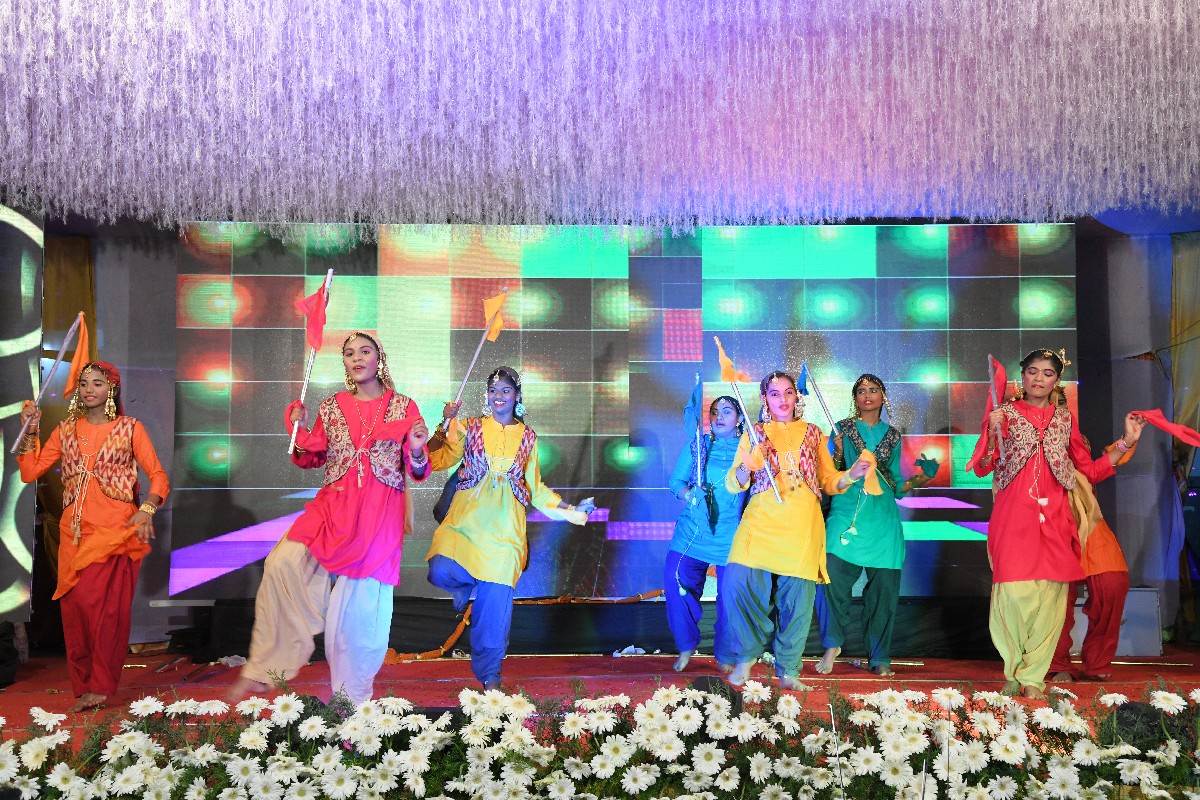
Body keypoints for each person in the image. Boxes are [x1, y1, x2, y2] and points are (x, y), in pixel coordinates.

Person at [228, 332, 430, 704]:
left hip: (378, 511)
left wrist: (417, 451)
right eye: (349, 354)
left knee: (356, 609)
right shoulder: (333, 405)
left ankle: (350, 701)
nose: (357, 358)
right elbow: (311, 454)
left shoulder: (403, 406)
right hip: (334, 504)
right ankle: (268, 667)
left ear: (379, 359)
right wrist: (298, 427)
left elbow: (417, 468)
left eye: (365, 351)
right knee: (282, 563)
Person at [973, 348, 1145, 699]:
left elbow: (1090, 470)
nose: (1039, 378)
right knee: (1014, 595)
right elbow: (982, 466)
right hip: (1013, 514)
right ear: (1023, 376)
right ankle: (1013, 667)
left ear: (1056, 380)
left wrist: (1127, 441)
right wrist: (991, 433)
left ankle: (1034, 676)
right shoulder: (1003, 413)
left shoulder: (1065, 419)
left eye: (1047, 373)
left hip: (1055, 516)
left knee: (1050, 598)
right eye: (1032, 371)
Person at [426, 366, 592, 690]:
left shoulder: (528, 437)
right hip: (466, 524)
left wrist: (572, 511)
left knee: (494, 612)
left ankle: (490, 677)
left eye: (505, 390)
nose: (498, 396)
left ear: (517, 396)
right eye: (493, 390)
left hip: (505, 534)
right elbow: (437, 460)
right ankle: (464, 586)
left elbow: (537, 490)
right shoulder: (469, 426)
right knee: (440, 569)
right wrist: (444, 426)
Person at [17, 361, 169, 712]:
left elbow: (158, 476)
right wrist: (31, 429)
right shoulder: (66, 430)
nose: (89, 389)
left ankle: (100, 685)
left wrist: (146, 509)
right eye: (84, 383)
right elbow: (29, 472)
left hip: (115, 532)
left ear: (111, 389)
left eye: (98, 383)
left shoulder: (130, 428)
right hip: (73, 534)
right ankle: (84, 684)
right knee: (76, 611)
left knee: (106, 613)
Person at [722, 370, 871, 689]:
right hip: (761, 520)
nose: (783, 399)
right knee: (737, 583)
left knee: (797, 602)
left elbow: (829, 481)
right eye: (774, 393)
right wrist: (748, 465)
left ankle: (789, 670)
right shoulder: (754, 432)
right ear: (764, 399)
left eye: (788, 392)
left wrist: (852, 474)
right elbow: (733, 483)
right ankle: (746, 657)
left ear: (796, 396)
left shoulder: (814, 433)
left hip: (802, 522)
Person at [814, 374, 939, 677]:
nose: (867, 395)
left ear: (883, 397)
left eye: (873, 390)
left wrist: (921, 479)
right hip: (847, 512)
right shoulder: (841, 429)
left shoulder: (893, 436)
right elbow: (829, 473)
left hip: (882, 519)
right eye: (861, 391)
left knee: (884, 592)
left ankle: (880, 656)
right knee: (830, 579)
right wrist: (837, 451)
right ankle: (832, 644)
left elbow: (895, 484)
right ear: (854, 398)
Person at [665, 395, 747, 672]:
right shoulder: (698, 446)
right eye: (714, 412)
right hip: (693, 529)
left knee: (732, 597)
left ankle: (726, 654)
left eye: (727, 411)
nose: (719, 417)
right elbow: (675, 482)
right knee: (676, 579)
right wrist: (690, 495)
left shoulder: (749, 449)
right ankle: (686, 645)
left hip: (731, 534)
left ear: (739, 418)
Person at [1049, 438, 1134, 682]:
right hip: (1054, 526)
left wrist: (1127, 441)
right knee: (1056, 596)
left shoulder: (1075, 437)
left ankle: (1097, 660)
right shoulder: (1035, 437)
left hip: (1090, 524)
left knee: (1112, 584)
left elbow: (1095, 469)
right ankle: (1057, 663)